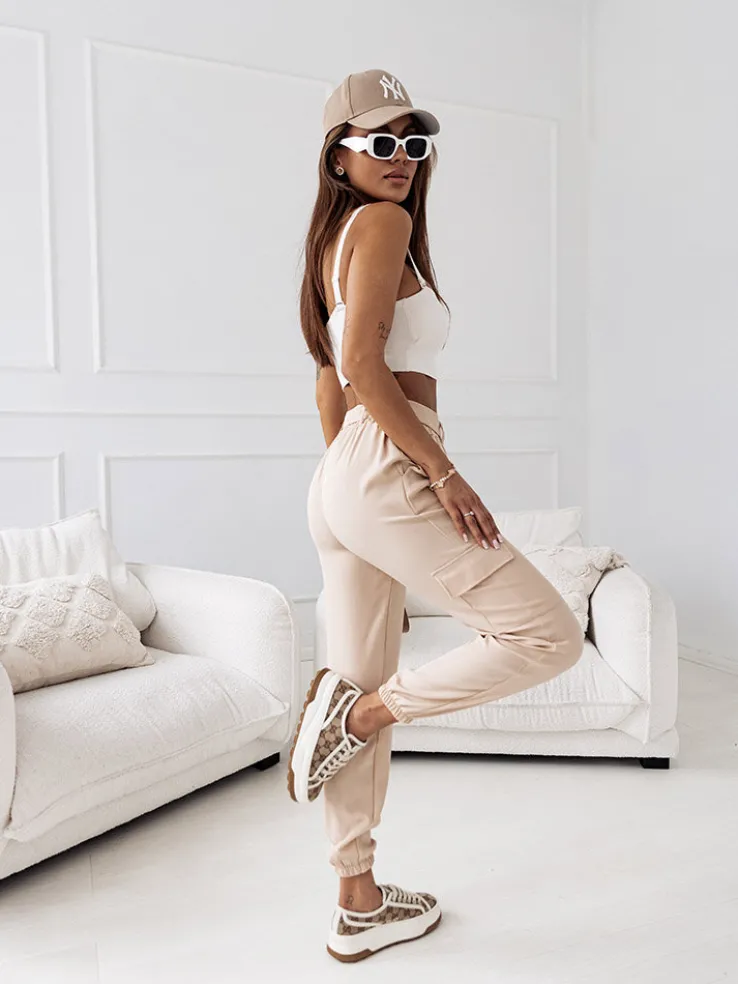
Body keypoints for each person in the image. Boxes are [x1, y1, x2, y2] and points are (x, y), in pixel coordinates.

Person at [289, 68, 584, 963]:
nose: (402, 159)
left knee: (352, 675)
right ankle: (363, 716)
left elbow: (329, 380)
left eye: (414, 144)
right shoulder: (381, 224)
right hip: (386, 464)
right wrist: (439, 473)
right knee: (547, 635)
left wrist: (346, 493)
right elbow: (364, 370)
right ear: (339, 156)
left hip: (347, 474)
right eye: (381, 142)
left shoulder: (334, 242)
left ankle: (357, 899)